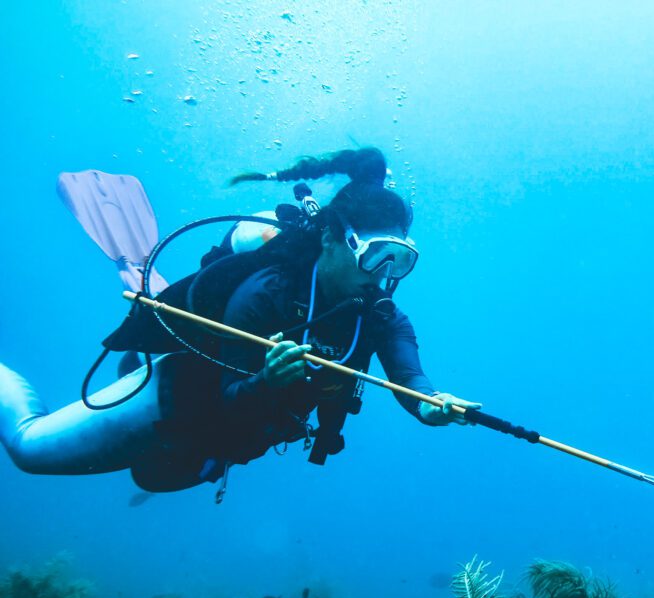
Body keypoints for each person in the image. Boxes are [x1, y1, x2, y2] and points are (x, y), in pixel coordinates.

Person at [0, 147, 479, 496]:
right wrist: (268, 380)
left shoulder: (379, 315)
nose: (386, 275)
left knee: (150, 479)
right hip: (167, 402)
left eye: (400, 259)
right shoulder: (267, 292)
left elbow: (409, 376)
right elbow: (230, 396)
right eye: (376, 256)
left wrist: (429, 405)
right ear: (333, 239)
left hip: (219, 441)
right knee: (29, 449)